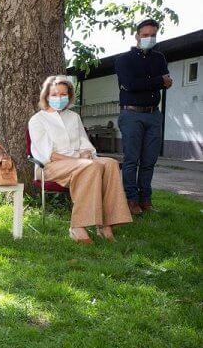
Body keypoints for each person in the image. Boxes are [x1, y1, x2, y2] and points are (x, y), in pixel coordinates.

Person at [29, 76, 133, 243]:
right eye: (54, 94)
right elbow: (48, 154)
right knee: (90, 167)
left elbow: (84, 142)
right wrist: (79, 158)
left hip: (80, 163)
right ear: (46, 96)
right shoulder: (37, 120)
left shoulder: (74, 117)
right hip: (50, 166)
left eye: (63, 94)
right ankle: (77, 226)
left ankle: (105, 224)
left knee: (110, 163)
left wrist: (86, 153)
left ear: (69, 96)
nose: (59, 98)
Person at [114, 18, 172, 215]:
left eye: (153, 35)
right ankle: (131, 200)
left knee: (149, 161)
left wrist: (156, 82)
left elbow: (167, 82)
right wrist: (158, 81)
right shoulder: (123, 60)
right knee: (132, 159)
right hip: (131, 114)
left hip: (153, 114)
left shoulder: (159, 58)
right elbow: (130, 85)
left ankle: (146, 200)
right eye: (145, 35)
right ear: (137, 36)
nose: (149, 38)